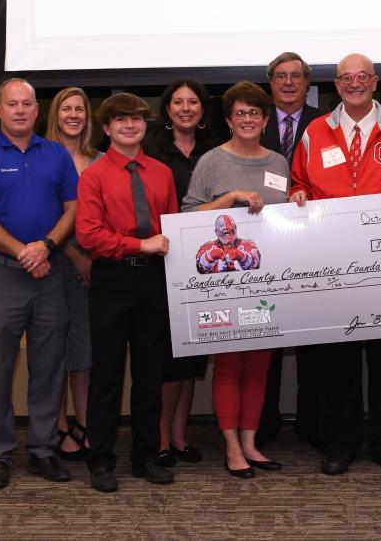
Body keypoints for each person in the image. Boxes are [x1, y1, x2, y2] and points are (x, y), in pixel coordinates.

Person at [290, 52, 381, 475]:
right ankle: (341, 441)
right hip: (331, 263)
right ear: (337, 85)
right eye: (346, 77)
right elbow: (299, 181)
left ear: (374, 82)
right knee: (338, 359)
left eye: (362, 76)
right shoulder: (315, 132)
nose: (354, 83)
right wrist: (297, 194)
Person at [0, 78, 78, 490]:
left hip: (49, 273)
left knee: (49, 367)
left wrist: (45, 247)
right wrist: (24, 252)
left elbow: (73, 210)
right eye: (12, 104)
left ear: (36, 110)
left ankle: (43, 450)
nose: (21, 110)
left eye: (27, 103)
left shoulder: (57, 155)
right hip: (2, 275)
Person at [183, 80, 290, 478]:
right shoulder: (211, 161)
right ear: (229, 120)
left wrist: (297, 201)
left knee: (259, 365)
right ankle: (231, 447)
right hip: (222, 286)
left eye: (254, 113)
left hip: (267, 285)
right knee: (229, 366)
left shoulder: (279, 163)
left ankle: (250, 442)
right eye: (240, 113)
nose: (247, 119)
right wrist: (229, 199)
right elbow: (188, 217)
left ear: (265, 119)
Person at [76, 92, 179, 493]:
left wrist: (156, 249)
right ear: (106, 128)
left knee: (151, 374)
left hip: (154, 280)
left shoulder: (161, 173)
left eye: (135, 119)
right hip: (112, 281)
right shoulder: (94, 175)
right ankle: (101, 461)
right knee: (106, 375)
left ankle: (145, 456)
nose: (129, 126)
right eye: (120, 120)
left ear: (144, 125)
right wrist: (140, 245)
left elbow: (169, 228)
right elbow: (88, 234)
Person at [143, 79, 214, 467]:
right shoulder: (151, 147)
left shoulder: (215, 147)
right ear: (167, 108)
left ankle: (180, 436)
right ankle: (160, 438)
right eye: (178, 102)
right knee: (169, 359)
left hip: (202, 265)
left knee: (191, 357)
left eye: (193, 102)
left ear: (202, 108)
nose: (186, 108)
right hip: (161, 261)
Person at [257, 52, 327, 447]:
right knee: (263, 334)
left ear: (306, 83)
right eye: (281, 76)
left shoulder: (326, 123)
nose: (288, 83)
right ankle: (262, 426)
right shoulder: (253, 120)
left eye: (296, 76)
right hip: (264, 246)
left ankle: (313, 425)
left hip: (313, 242)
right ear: (271, 82)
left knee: (314, 340)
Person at [44, 86, 102, 461]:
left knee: (84, 349)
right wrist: (71, 254)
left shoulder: (99, 160)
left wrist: (93, 258)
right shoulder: (41, 157)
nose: (74, 115)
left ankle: (85, 423)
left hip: (94, 267)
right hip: (51, 264)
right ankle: (60, 424)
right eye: (67, 108)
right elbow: (38, 214)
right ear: (55, 114)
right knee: (54, 350)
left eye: (80, 109)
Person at [195, 215, 261, 273]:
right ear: (216, 232)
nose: (225, 227)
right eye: (221, 225)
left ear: (235, 227)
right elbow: (199, 267)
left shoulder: (248, 244)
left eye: (229, 224)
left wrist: (241, 255)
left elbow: (256, 263)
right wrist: (210, 256)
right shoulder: (207, 246)